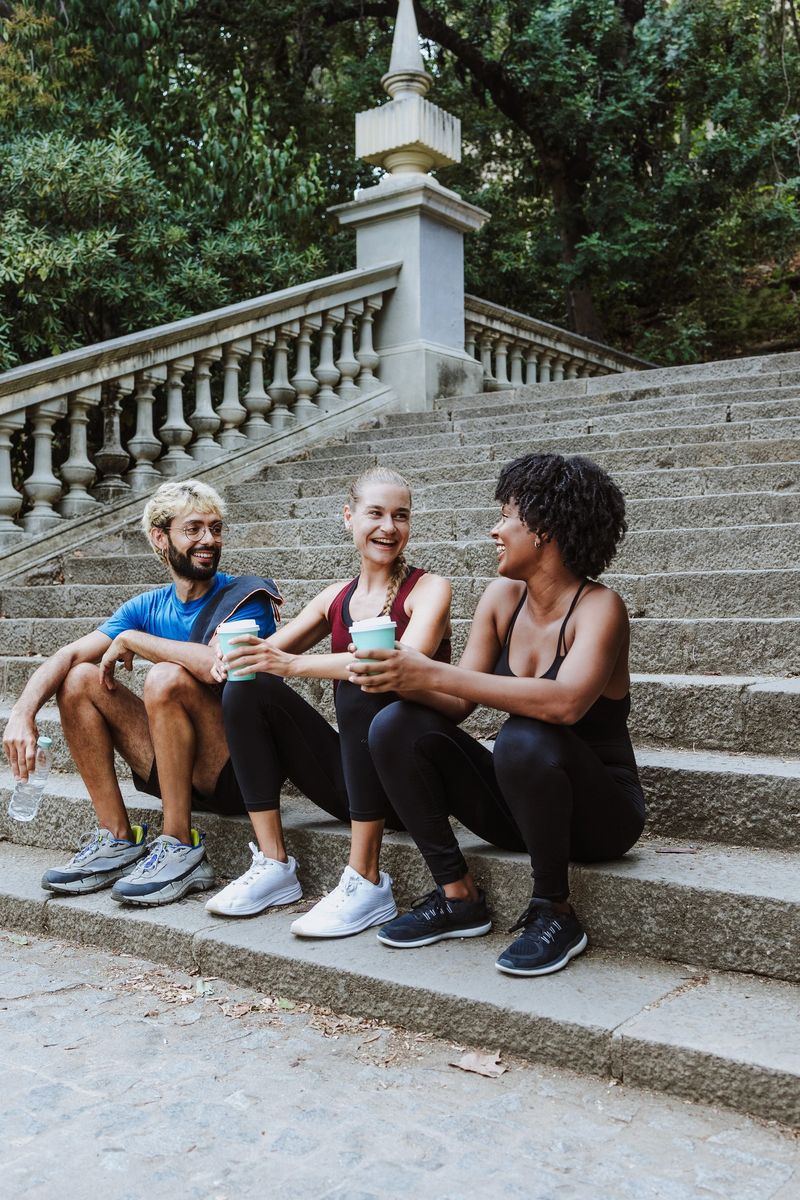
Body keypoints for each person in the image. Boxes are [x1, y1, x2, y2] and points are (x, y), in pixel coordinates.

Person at [350, 452, 646, 976]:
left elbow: (565, 702)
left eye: (507, 515)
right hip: (520, 806)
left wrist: (431, 672)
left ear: (545, 528)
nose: (495, 529)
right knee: (395, 724)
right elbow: (458, 704)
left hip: (599, 816)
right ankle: (457, 895)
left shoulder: (601, 607)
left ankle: (554, 910)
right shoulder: (500, 597)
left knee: (525, 734)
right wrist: (401, 679)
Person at [2, 479, 280, 905]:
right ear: (160, 537)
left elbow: (213, 666)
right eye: (194, 529)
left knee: (165, 676)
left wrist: (134, 640)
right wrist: (22, 714)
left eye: (216, 528)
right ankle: (116, 837)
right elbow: (67, 655)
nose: (209, 539)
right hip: (174, 763)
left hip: (239, 771)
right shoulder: (147, 606)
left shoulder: (246, 596)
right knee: (79, 679)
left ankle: (179, 843)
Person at [205, 465, 452, 938]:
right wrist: (231, 655)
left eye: (400, 516)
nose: (388, 527)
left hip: (412, 779)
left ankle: (367, 880)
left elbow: (403, 662)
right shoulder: (333, 598)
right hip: (355, 779)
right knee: (246, 685)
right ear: (348, 517)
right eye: (375, 513)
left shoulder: (430, 589)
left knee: (366, 683)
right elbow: (270, 654)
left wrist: (293, 666)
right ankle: (274, 864)